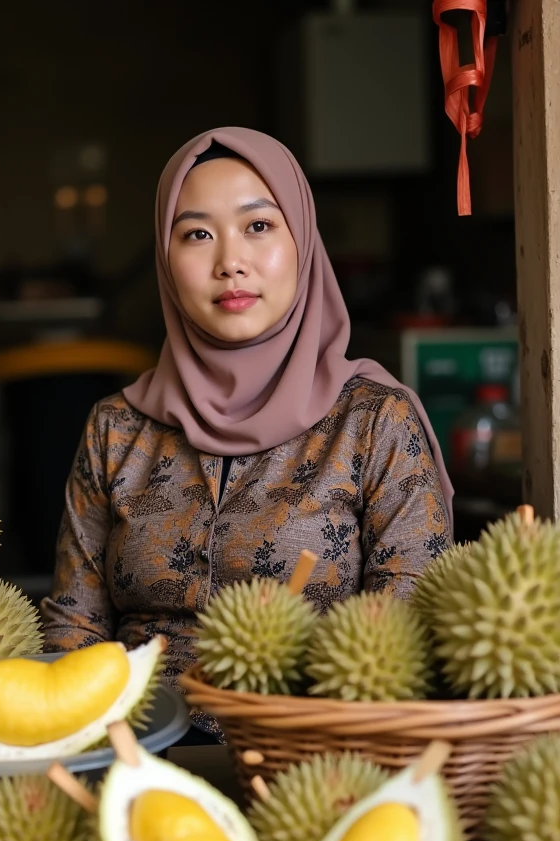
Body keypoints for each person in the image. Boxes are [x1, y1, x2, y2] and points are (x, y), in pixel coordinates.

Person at [40, 127, 453, 742]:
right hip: (132, 760)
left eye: (258, 226)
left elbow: (407, 637)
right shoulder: (115, 430)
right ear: (165, 258)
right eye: (197, 234)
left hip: (315, 763)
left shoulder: (375, 422)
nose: (229, 260)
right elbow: (74, 626)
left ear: (303, 241)